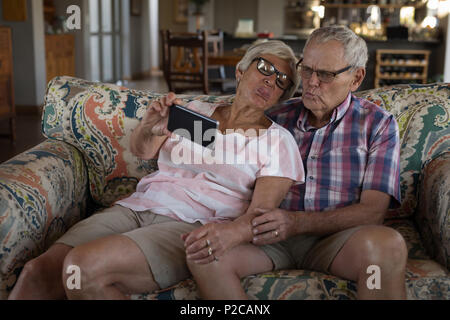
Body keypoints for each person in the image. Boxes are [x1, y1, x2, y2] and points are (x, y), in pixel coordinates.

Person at [8, 40, 305, 299]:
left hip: (190, 224)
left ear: (283, 96)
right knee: (38, 271)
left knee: (81, 268)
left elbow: (260, 213)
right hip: (136, 207)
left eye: (281, 81)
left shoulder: (275, 140)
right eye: (265, 68)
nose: (271, 81)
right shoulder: (199, 114)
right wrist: (149, 127)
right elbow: (144, 150)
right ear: (240, 71)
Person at [184, 25, 407, 300]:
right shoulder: (275, 115)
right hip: (266, 239)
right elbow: (217, 137)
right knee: (204, 254)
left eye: (325, 74)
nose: (311, 83)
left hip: (338, 241)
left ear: (356, 77)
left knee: (387, 246)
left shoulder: (379, 125)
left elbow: (373, 212)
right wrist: (162, 123)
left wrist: (297, 223)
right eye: (307, 69)